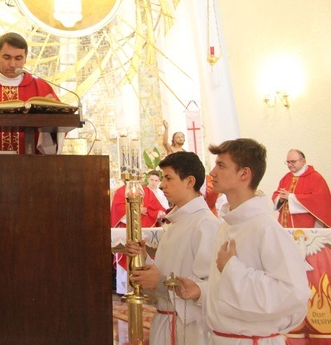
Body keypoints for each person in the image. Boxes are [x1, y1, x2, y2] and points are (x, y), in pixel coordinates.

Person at [176, 138, 310, 344]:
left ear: (244, 174)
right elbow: (227, 293)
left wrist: (232, 268)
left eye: (221, 166)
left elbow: (294, 295)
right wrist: (201, 291)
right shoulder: (227, 225)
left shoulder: (266, 228)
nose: (212, 173)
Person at [126, 152, 220, 345]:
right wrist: (144, 261)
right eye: (162, 178)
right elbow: (170, 270)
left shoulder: (205, 224)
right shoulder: (177, 222)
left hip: (190, 329)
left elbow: (213, 286)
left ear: (190, 181)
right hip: (166, 322)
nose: (161, 185)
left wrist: (159, 283)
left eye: (168, 178)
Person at [110, 180, 166, 294]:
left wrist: (157, 213)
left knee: (145, 255)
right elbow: (117, 209)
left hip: (143, 229)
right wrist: (136, 210)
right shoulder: (121, 191)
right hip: (126, 229)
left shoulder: (147, 191)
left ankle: (143, 288)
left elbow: (156, 208)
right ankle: (124, 289)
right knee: (125, 255)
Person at [271, 149, 331, 228]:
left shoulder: (315, 178)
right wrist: (280, 199)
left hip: (304, 224)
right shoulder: (286, 177)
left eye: (293, 162)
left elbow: (319, 200)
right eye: (288, 162)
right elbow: (277, 194)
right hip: (285, 224)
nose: (289, 165)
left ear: (303, 161)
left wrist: (290, 197)